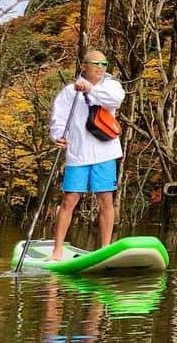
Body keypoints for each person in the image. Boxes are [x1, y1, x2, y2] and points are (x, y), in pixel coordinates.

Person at [47, 50, 125, 261]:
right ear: (84, 65)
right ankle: (57, 251)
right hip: (78, 153)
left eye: (104, 63)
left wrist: (90, 89)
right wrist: (57, 137)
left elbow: (115, 101)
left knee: (105, 199)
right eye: (95, 63)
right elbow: (59, 118)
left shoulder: (111, 86)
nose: (100, 67)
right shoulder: (68, 92)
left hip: (105, 152)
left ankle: (105, 250)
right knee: (69, 199)